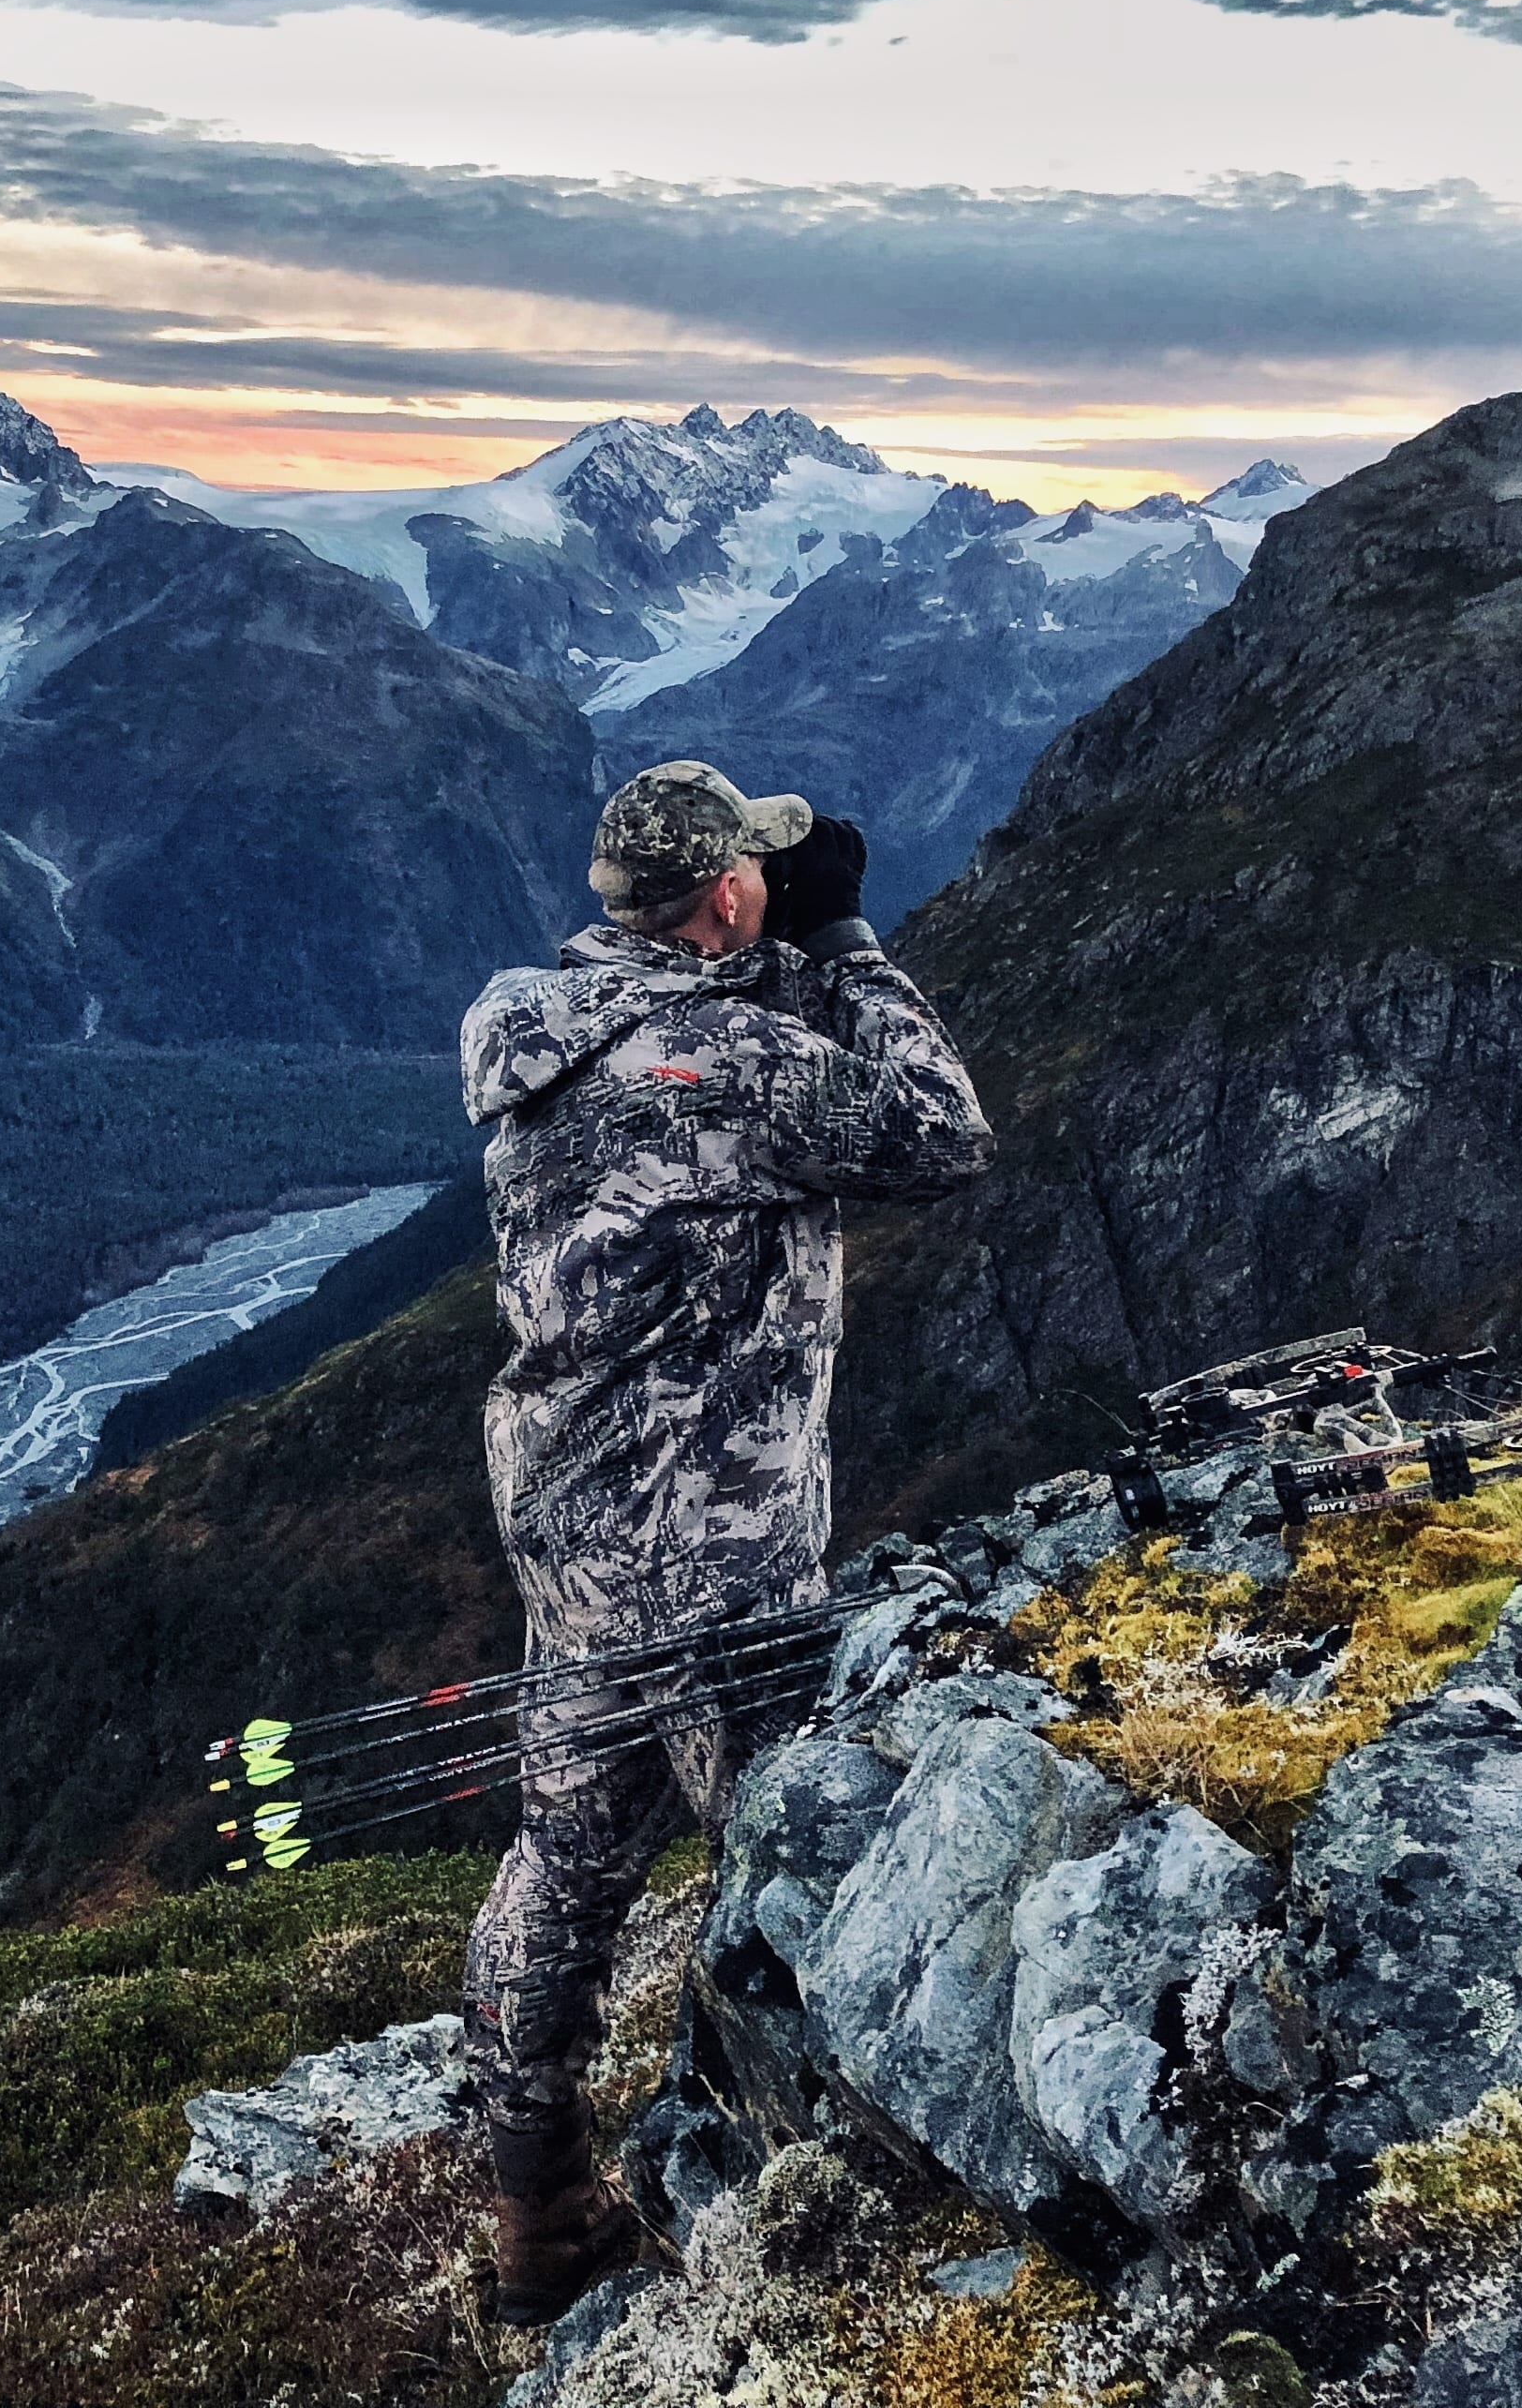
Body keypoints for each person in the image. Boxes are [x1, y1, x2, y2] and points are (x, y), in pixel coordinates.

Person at [455, 758, 993, 2325]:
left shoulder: (540, 1029)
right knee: (780, 1853)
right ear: (731, 897)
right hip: (720, 1553)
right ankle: (814, 2199)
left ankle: (532, 2201)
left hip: (567, 1526)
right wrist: (849, 948)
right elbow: (940, 1134)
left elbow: (688, 1056)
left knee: (565, 1860)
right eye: (759, 874)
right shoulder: (740, 1061)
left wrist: (765, 959)